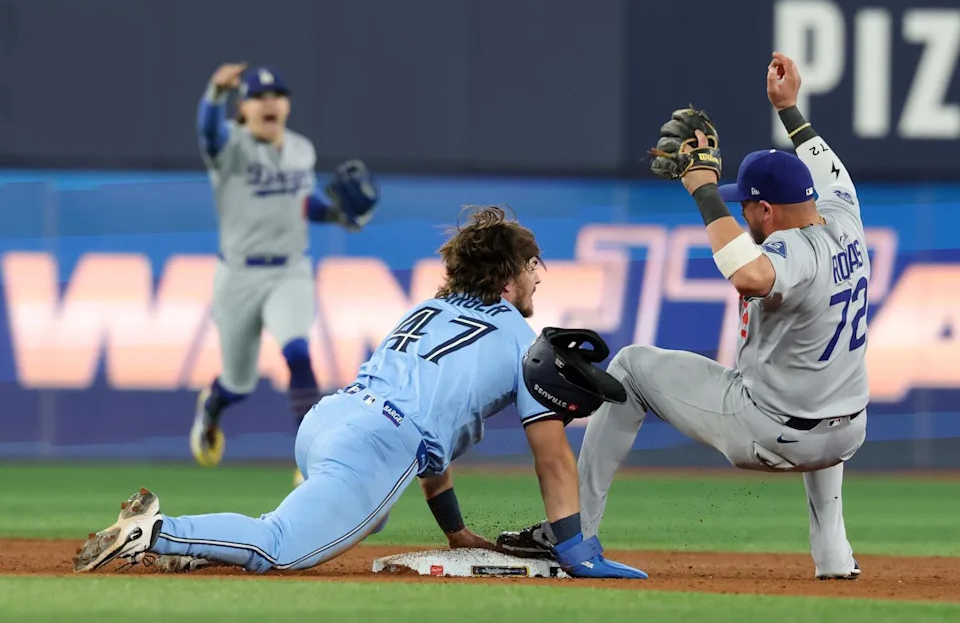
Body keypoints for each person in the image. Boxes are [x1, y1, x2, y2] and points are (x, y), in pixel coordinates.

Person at [72, 206, 647, 580]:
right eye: (531, 265)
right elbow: (551, 453)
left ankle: (188, 550)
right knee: (280, 547)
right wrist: (576, 549)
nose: (539, 274)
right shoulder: (522, 340)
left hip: (330, 421)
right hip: (377, 441)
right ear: (507, 280)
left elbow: (431, 443)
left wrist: (455, 533)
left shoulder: (429, 309)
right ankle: (157, 530)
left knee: (340, 516)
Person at [498, 52, 868, 580]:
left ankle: (572, 531)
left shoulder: (794, 252)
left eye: (747, 206)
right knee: (819, 393)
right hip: (848, 433)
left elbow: (751, 277)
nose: (742, 213)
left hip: (772, 432)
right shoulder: (845, 215)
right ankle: (834, 556)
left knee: (628, 368)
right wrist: (790, 109)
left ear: (766, 210)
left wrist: (702, 190)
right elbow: (824, 160)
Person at [190, 63, 379, 474]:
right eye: (258, 96)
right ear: (244, 106)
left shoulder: (300, 149)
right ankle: (214, 404)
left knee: (297, 350)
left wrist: (339, 216)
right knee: (239, 383)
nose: (268, 102)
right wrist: (214, 93)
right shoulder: (231, 148)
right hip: (238, 276)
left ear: (287, 105)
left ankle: (310, 455)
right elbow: (208, 133)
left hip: (289, 271)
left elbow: (302, 203)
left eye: (276, 95)